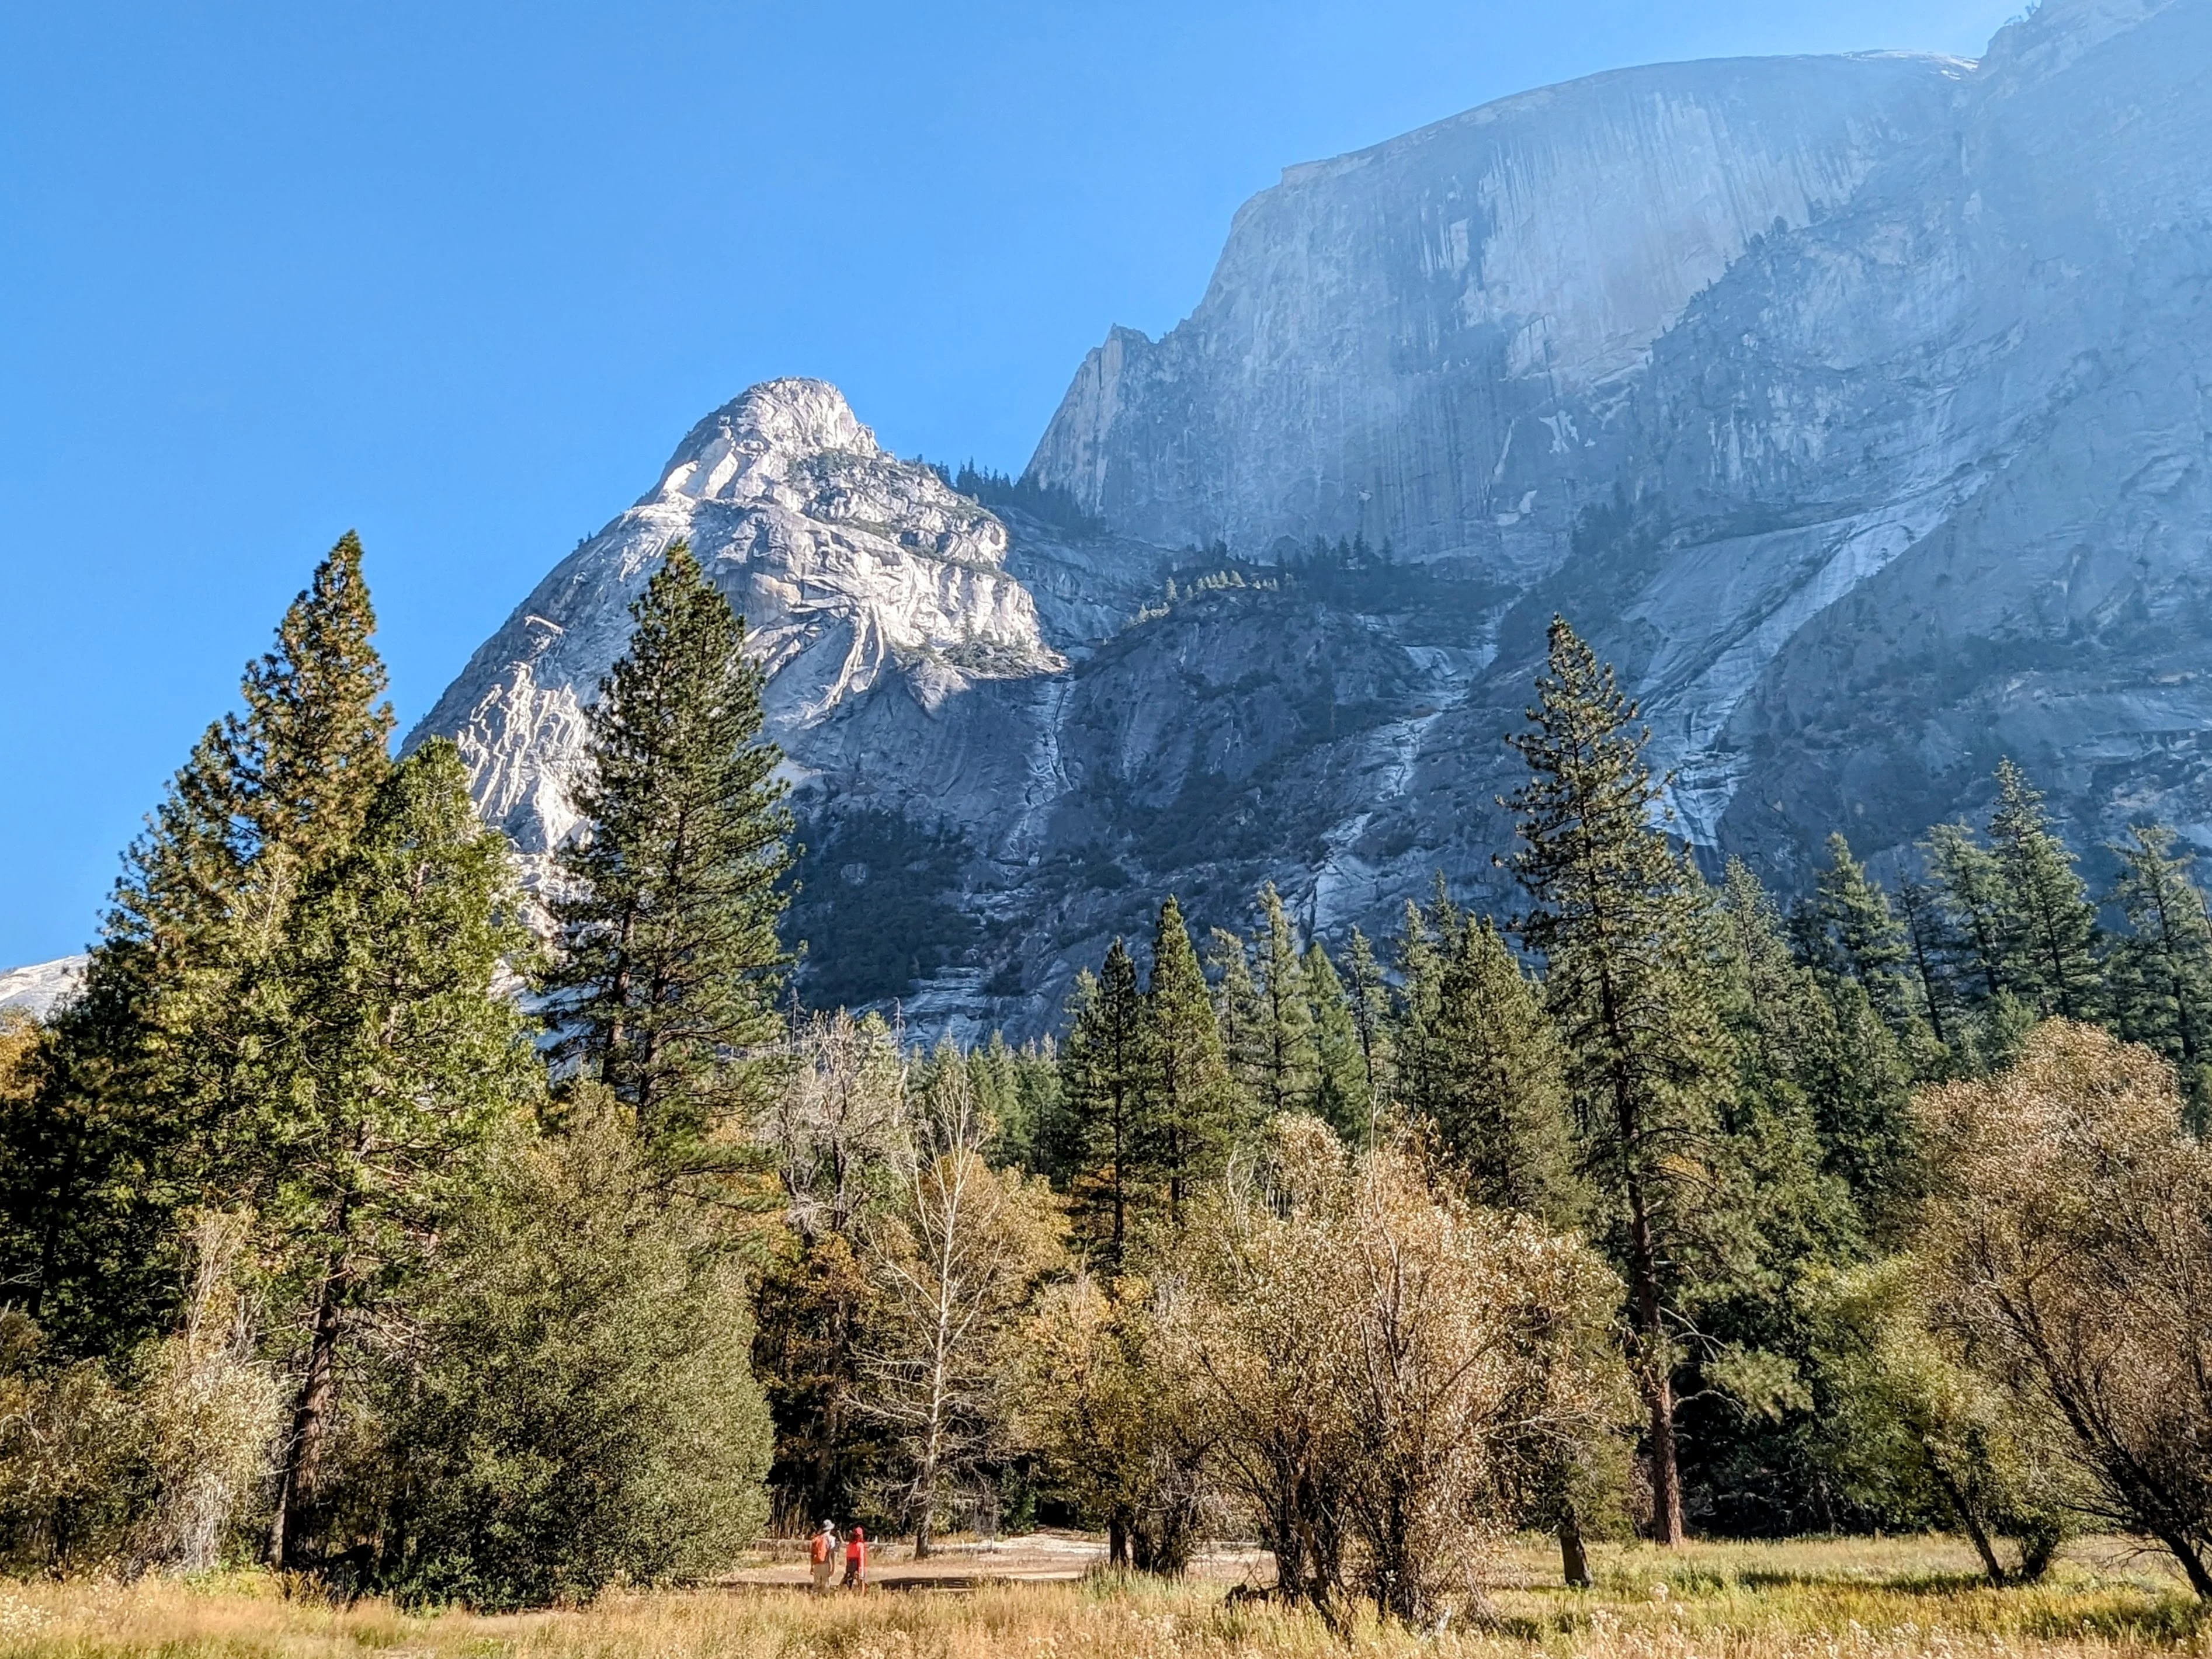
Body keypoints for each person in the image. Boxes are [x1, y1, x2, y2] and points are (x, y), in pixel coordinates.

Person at [809, 1521, 838, 1592]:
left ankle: (812, 1600)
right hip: (826, 1563)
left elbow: (812, 1554)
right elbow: (832, 1553)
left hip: (817, 1564)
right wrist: (833, 1567)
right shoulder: (831, 1539)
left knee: (816, 1585)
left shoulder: (817, 1539)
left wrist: (812, 1566)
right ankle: (823, 1601)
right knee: (825, 1586)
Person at [843, 1524, 866, 1589]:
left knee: (850, 1578)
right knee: (861, 1580)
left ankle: (849, 1590)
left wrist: (847, 1565)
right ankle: (862, 1593)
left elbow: (847, 1556)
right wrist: (861, 1569)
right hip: (857, 1563)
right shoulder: (861, 1545)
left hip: (850, 1562)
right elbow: (861, 1558)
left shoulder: (850, 1545)